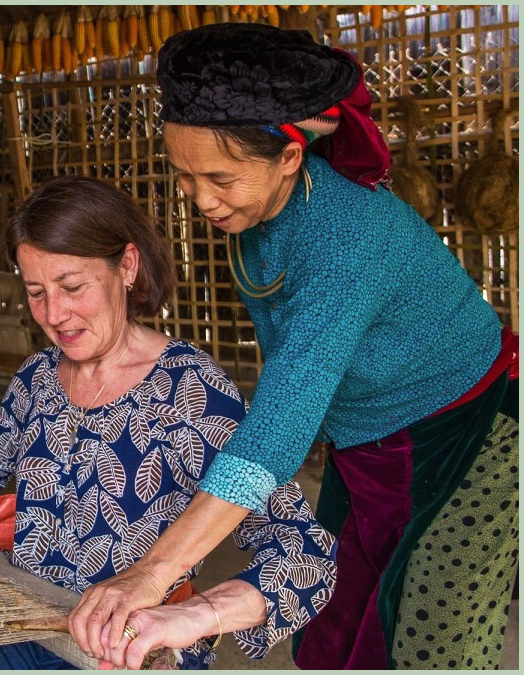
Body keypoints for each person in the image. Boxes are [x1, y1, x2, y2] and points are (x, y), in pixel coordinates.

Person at [82, 22, 519, 670]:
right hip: (366, 437)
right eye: (184, 175)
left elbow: (279, 427)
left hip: (466, 430)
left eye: (220, 178)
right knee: (333, 627)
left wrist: (153, 570)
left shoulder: (346, 239)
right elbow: (290, 384)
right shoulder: (255, 217)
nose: (201, 198)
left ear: (289, 157)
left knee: (423, 639)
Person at [0, 176, 337, 669]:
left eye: (72, 286)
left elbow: (307, 554)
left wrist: (192, 615)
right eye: (36, 292)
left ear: (128, 266)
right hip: (25, 618)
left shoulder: (191, 392)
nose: (55, 314)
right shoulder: (39, 377)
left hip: (121, 651)